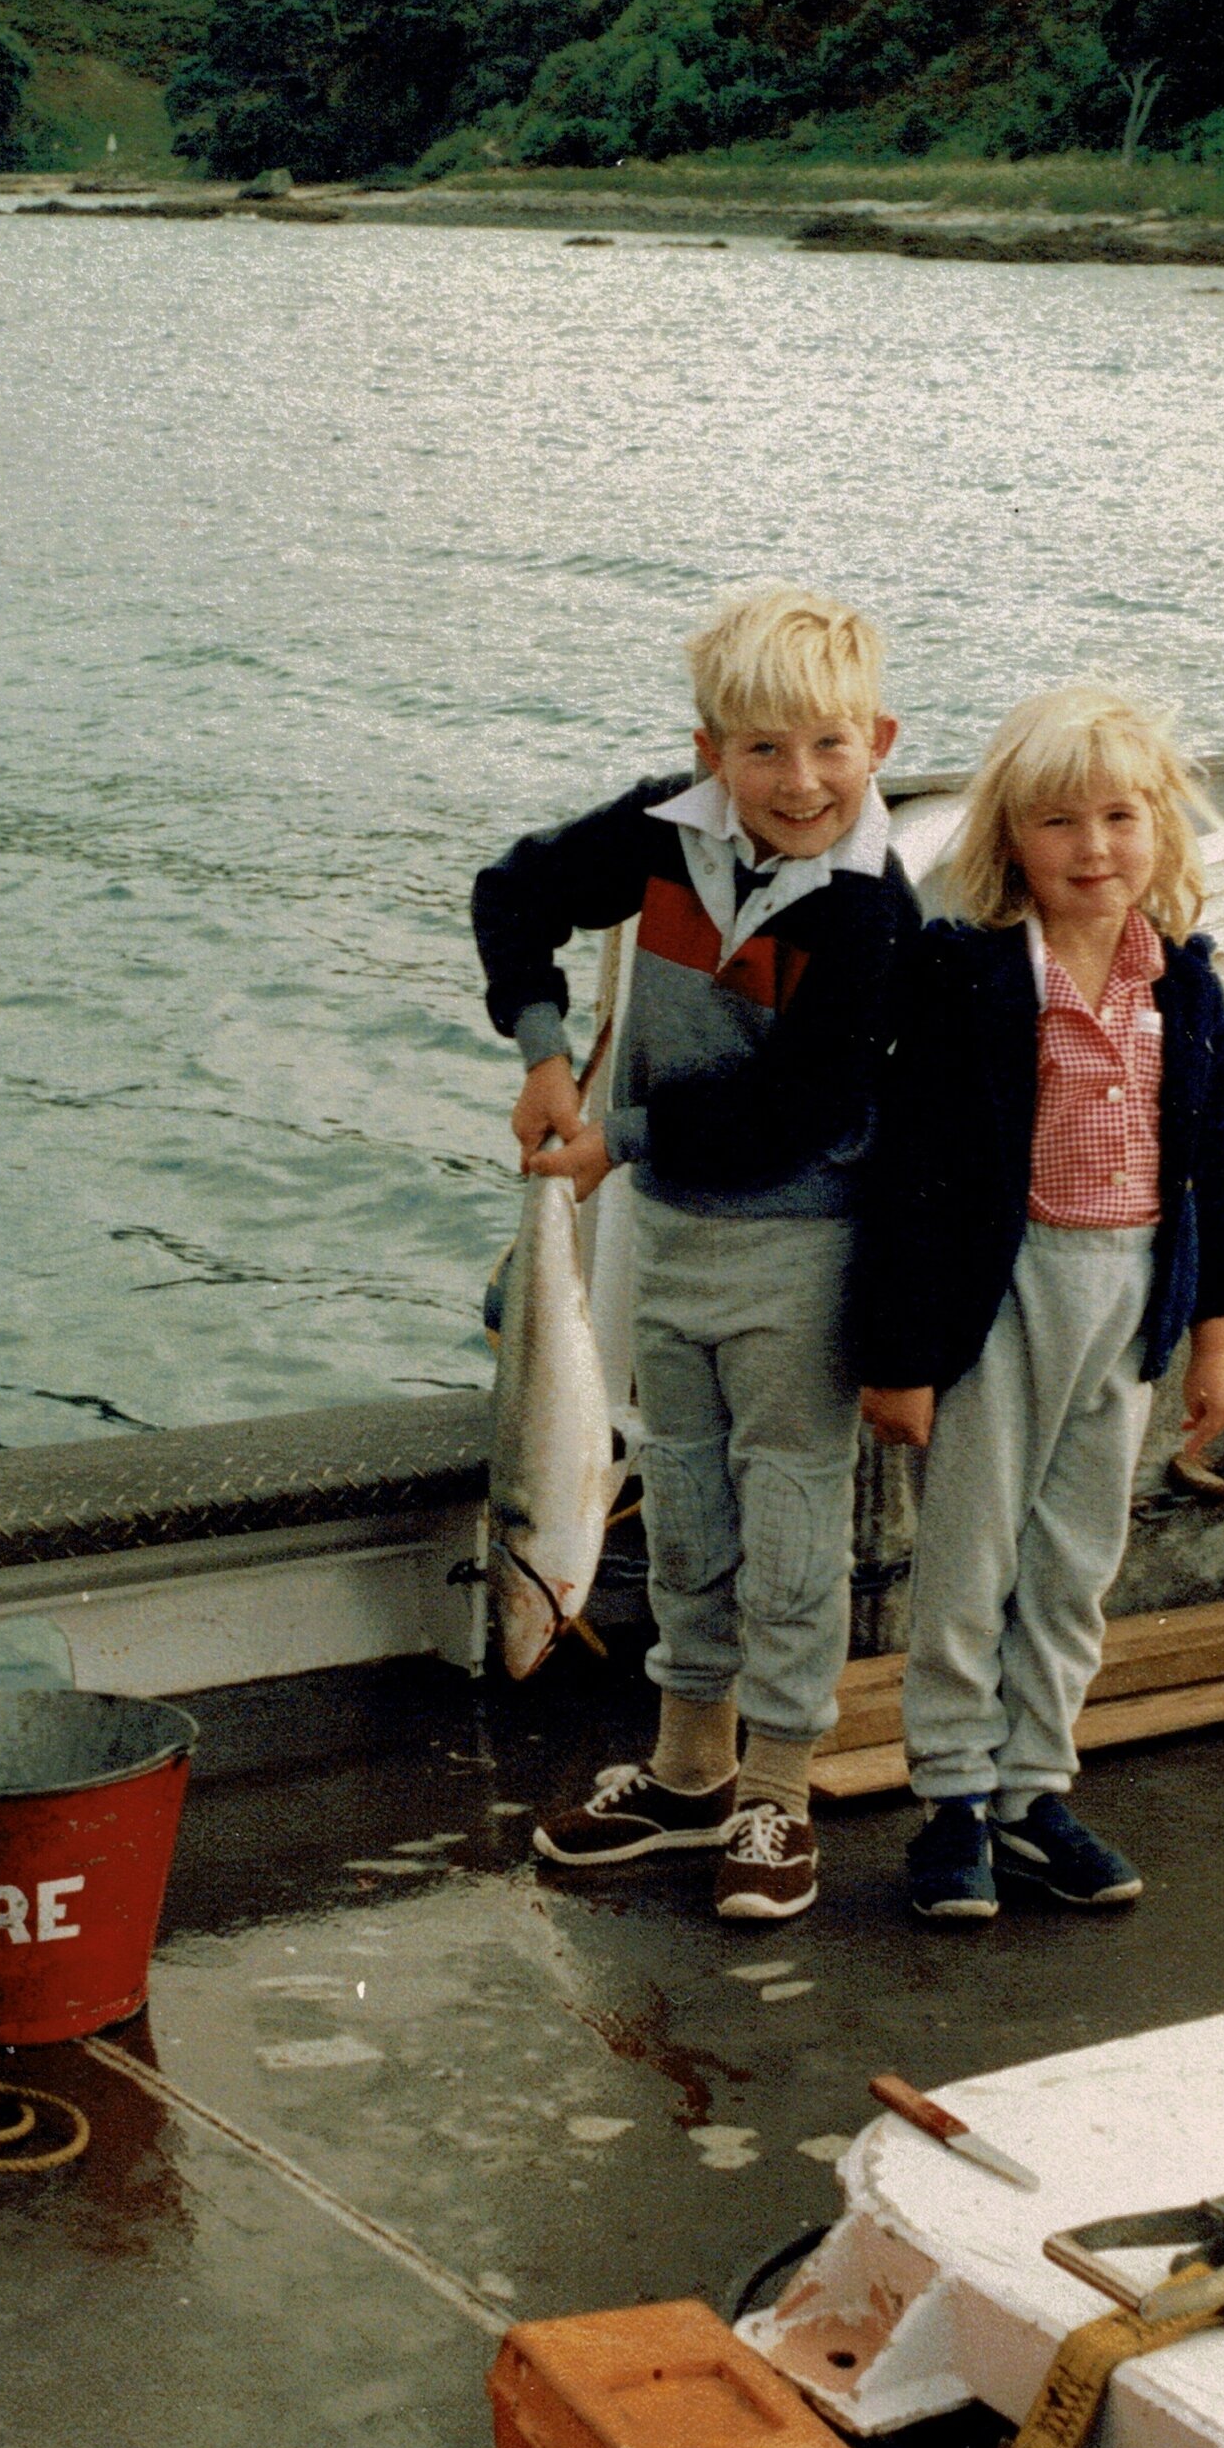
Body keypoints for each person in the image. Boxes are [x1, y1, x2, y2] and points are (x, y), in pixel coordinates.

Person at [472, 585, 917, 1921]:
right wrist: (545, 1047)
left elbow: (803, 1104)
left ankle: (778, 1787)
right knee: (683, 1497)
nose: (798, 780)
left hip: (801, 1247)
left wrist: (617, 1133)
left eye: (830, 746)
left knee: (788, 1518)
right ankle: (687, 1772)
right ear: (711, 747)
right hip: (667, 1240)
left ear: (881, 741)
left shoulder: (872, 907)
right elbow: (514, 891)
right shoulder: (668, 832)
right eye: (762, 748)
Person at [859, 684, 1224, 1923]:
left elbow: (1214, 1166)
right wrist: (900, 1355)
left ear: (1158, 829)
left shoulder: (1179, 981)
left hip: (1129, 1294)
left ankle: (1033, 1787)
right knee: (969, 1556)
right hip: (1002, 1293)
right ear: (1009, 843)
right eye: (1060, 823)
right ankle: (953, 1799)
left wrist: (1214, 1335)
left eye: (1118, 817)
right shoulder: (965, 974)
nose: (1093, 849)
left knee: (1076, 1557)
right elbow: (911, 1173)